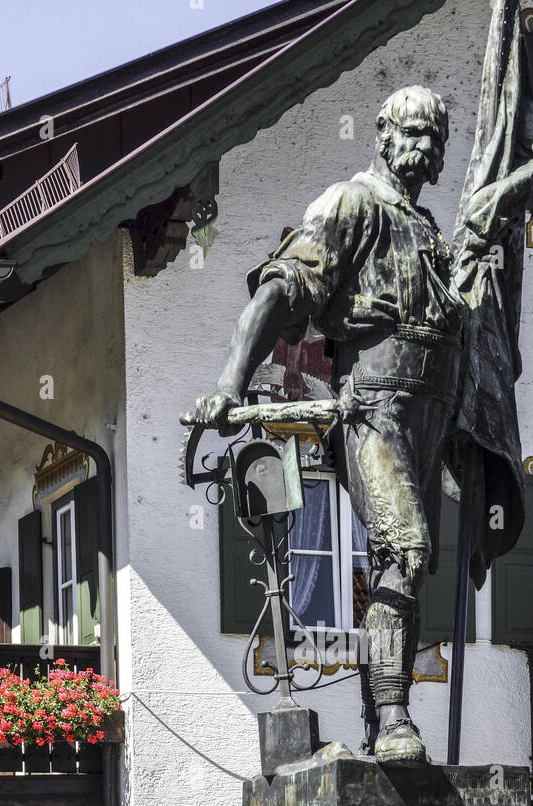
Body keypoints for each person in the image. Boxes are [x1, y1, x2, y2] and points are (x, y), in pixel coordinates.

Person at [195, 86, 464, 764]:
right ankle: (396, 715)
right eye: (415, 131)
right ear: (382, 133)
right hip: (373, 405)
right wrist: (231, 381)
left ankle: (383, 723)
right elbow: (282, 289)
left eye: (437, 137)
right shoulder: (350, 203)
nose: (426, 148)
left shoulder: (430, 230)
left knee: (412, 566)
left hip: (431, 413)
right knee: (402, 550)